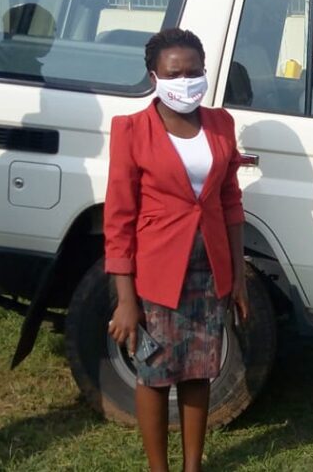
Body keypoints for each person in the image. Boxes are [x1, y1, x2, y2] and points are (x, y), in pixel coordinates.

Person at [105, 28, 251, 472]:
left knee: (199, 370)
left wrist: (238, 277)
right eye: (174, 73)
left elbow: (229, 201)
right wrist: (125, 299)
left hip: (210, 270)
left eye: (194, 71)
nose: (185, 81)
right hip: (157, 275)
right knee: (155, 373)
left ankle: (192, 466)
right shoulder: (132, 130)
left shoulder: (220, 124)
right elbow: (119, 218)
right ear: (154, 76)